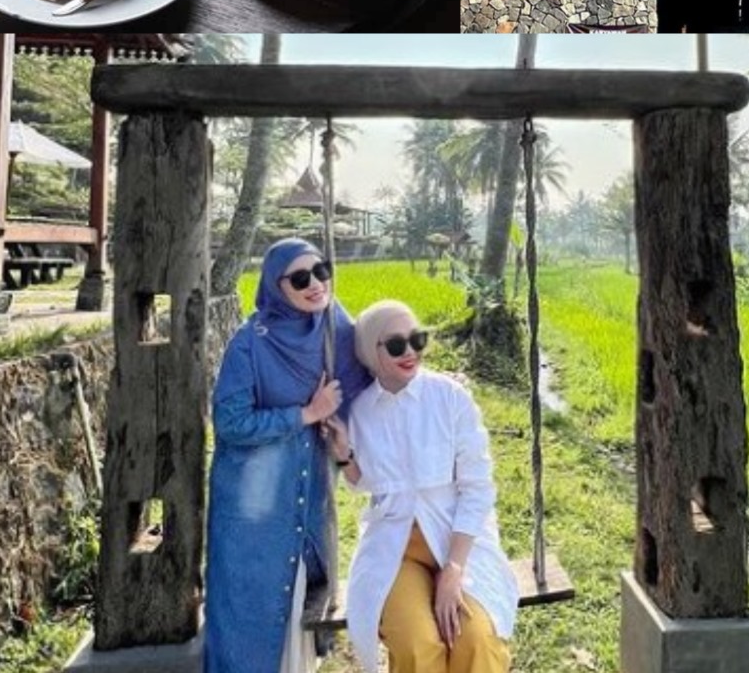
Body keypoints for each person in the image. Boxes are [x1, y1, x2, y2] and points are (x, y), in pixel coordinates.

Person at [204, 238, 371, 673]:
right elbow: (230, 422)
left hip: (308, 491)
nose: (316, 284)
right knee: (250, 612)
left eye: (322, 271)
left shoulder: (335, 327)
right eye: (300, 278)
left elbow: (370, 376)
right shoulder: (250, 343)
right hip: (252, 504)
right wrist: (305, 414)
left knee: (301, 602)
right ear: (276, 287)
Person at [324, 300, 518, 673]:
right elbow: (366, 483)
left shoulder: (450, 398)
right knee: (418, 644)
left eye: (418, 339)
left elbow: (477, 488)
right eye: (396, 345)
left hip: (456, 538)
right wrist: (345, 455)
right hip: (396, 546)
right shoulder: (360, 411)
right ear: (369, 352)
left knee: (475, 639)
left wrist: (454, 569)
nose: (410, 351)